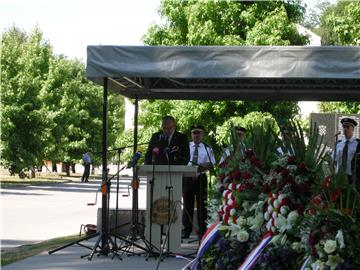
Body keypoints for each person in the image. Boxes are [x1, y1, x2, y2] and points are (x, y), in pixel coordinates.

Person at [182, 124, 216, 239]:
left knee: (202, 205)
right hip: (187, 178)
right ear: (191, 135)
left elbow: (211, 164)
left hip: (201, 178)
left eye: (199, 133)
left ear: (202, 134)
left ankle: (202, 231)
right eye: (194, 133)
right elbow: (182, 162)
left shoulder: (207, 148)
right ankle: (186, 230)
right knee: (187, 204)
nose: (196, 135)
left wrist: (202, 167)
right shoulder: (185, 147)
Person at [334, 118, 360, 184]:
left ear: (353, 129)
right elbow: (334, 160)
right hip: (338, 177)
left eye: (347, 127)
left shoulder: (358, 144)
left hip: (352, 178)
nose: (345, 129)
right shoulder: (338, 144)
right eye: (344, 127)